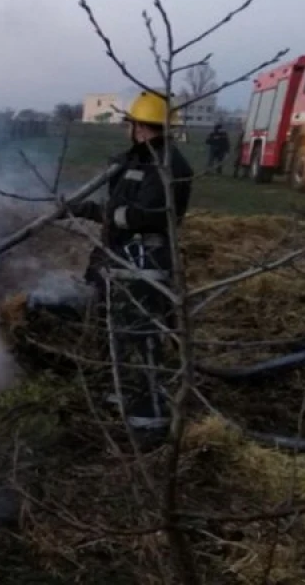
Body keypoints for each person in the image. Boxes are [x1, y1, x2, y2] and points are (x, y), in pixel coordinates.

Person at [66, 91, 193, 435]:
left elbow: (144, 215)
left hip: (143, 264)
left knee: (140, 337)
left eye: (133, 124)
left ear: (141, 127)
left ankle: (149, 422)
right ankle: (121, 398)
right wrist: (82, 210)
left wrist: (103, 214)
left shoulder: (167, 165)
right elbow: (118, 209)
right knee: (116, 333)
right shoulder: (136, 160)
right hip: (122, 258)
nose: (130, 130)